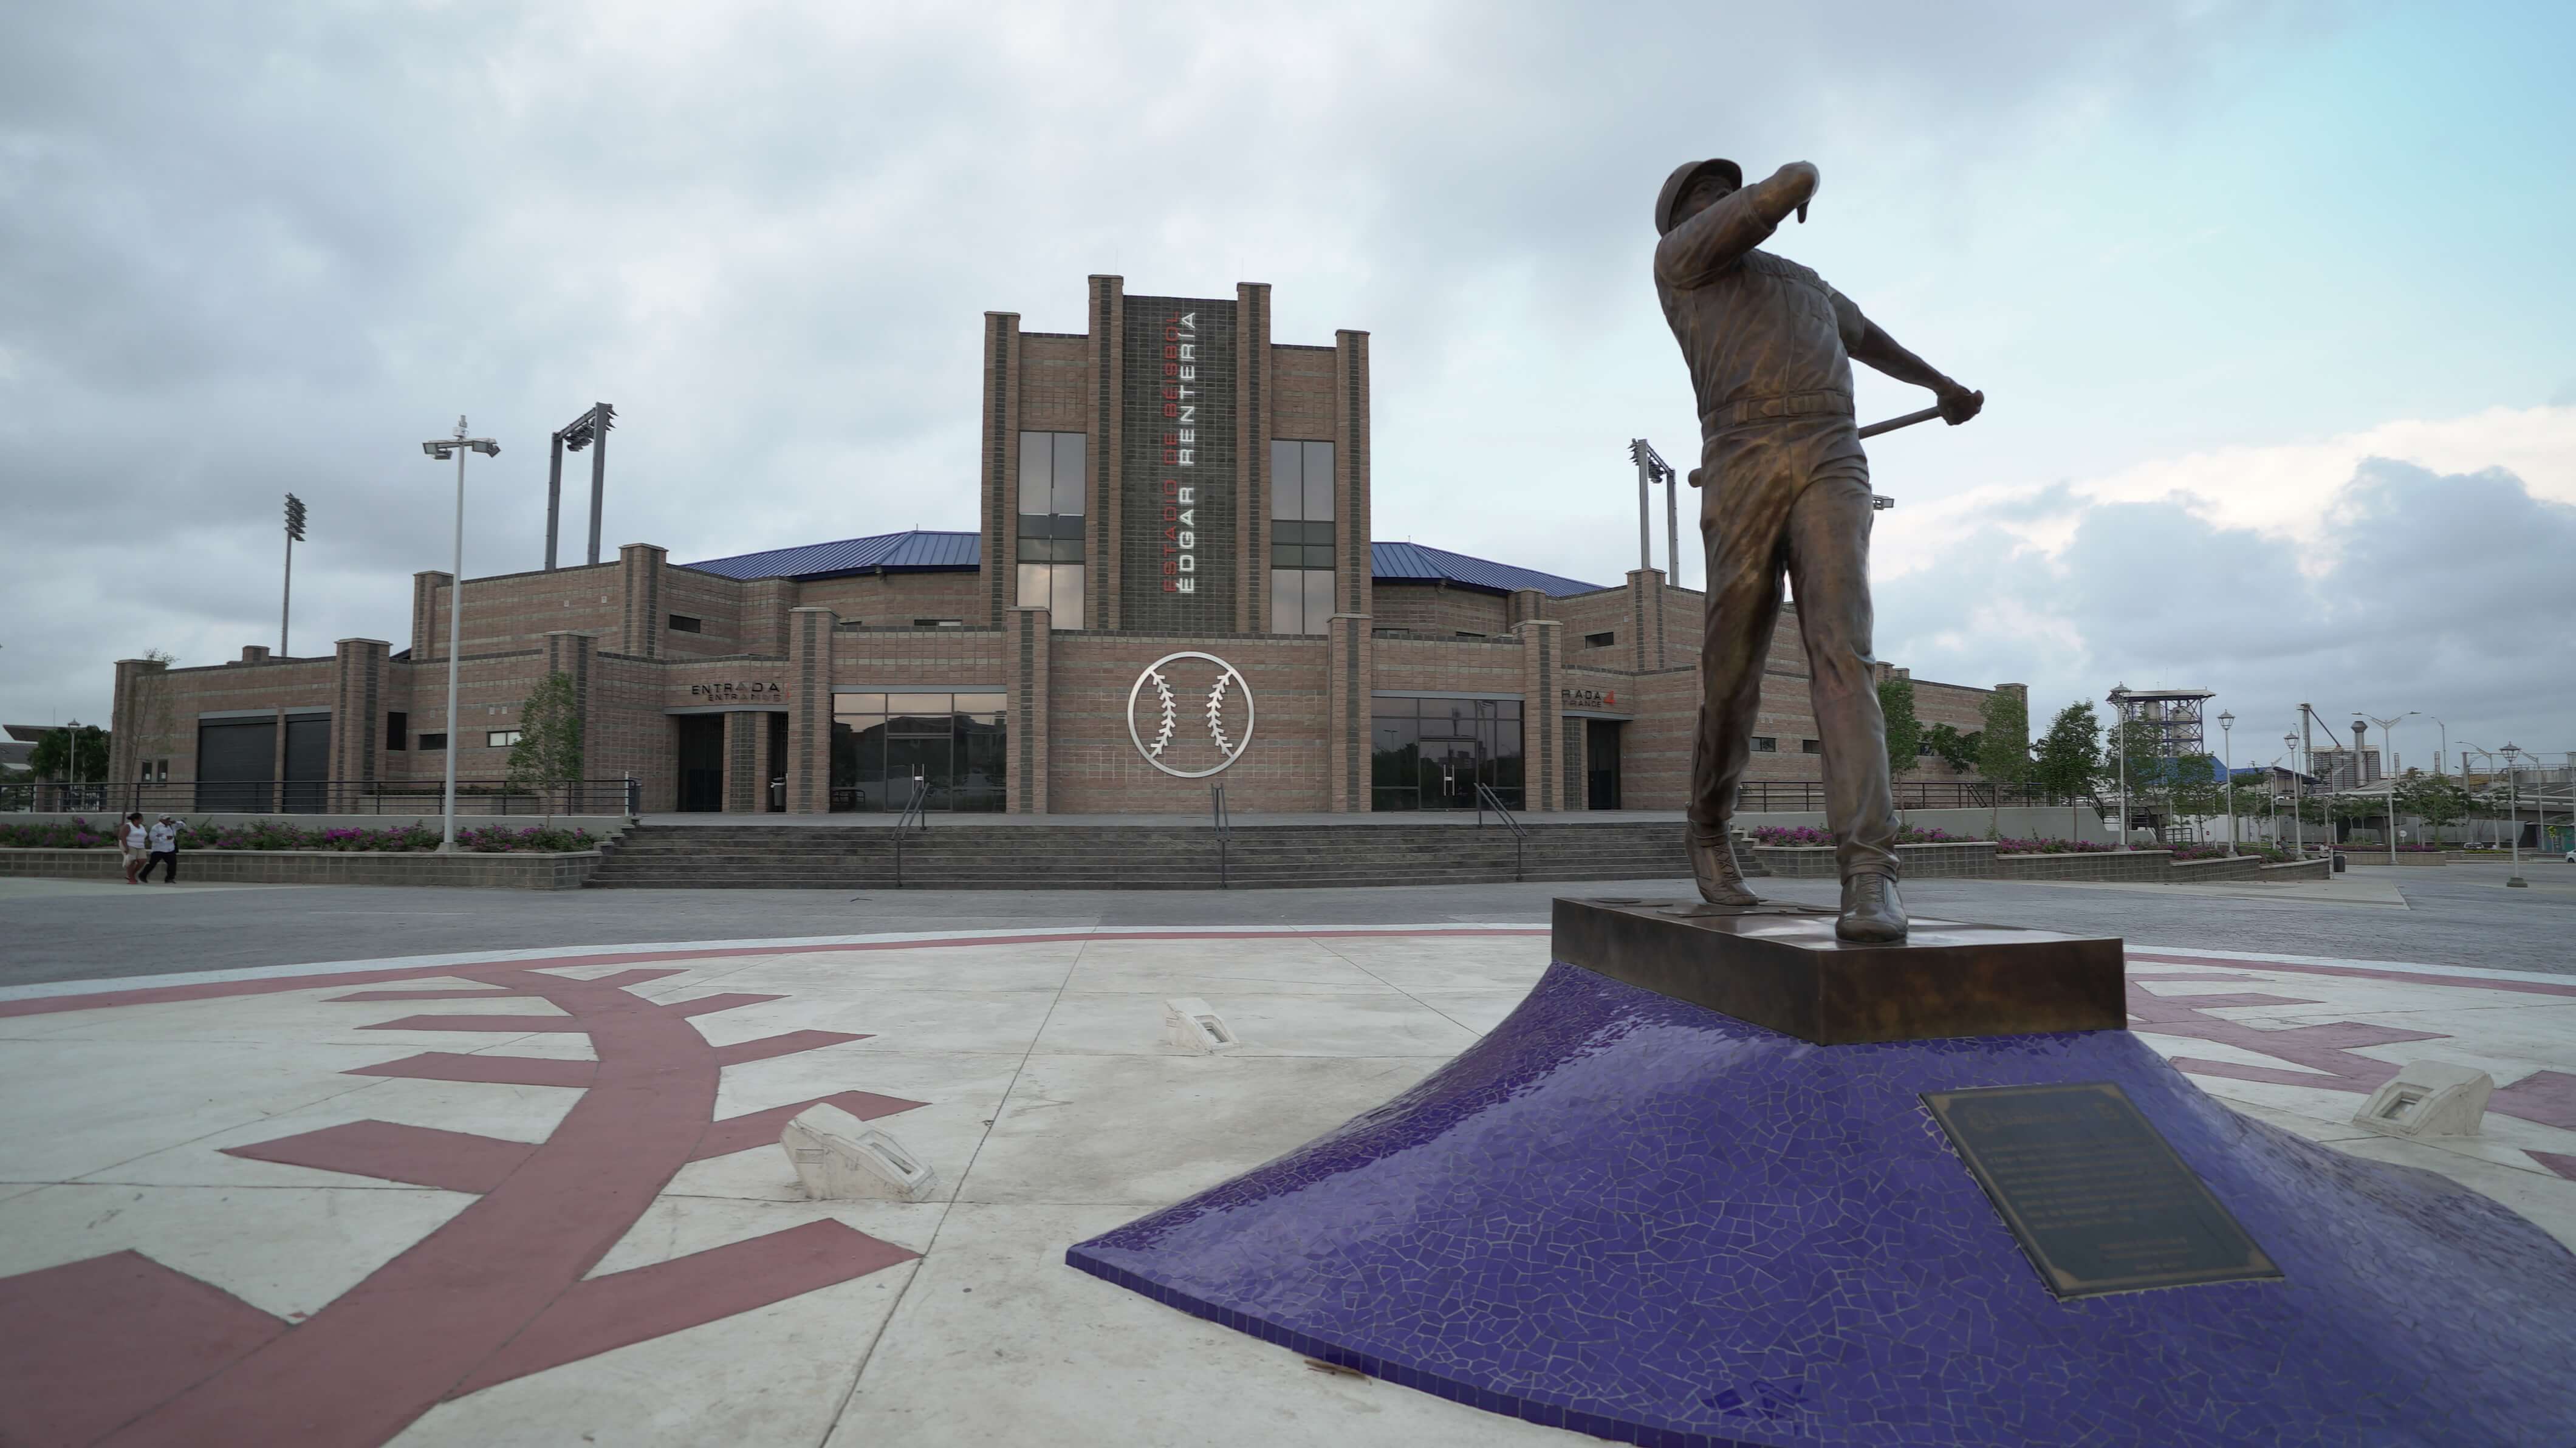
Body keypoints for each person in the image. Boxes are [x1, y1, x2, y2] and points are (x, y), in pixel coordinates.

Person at [1653, 157, 1983, 942]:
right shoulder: (1683, 262)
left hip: (1832, 451)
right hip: (1742, 457)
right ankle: (1707, 820)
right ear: (1685, 221)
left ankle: (1871, 874)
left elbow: (1866, 337)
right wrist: (1795, 180)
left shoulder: (1800, 279)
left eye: (1723, 190)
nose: (1719, 199)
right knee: (1734, 666)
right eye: (1704, 196)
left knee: (1843, 650)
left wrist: (1941, 385)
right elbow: (1784, 188)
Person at [142, 814, 181, 883]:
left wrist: (176, 822)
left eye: (168, 819)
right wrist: (165, 838)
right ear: (161, 820)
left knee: (173, 864)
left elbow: (183, 825)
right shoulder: (156, 827)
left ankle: (170, 878)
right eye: (166, 819)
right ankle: (143, 876)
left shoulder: (172, 826)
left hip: (170, 849)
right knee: (152, 864)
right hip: (159, 849)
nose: (167, 820)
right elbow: (152, 838)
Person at [119, 811, 149, 884]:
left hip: (140, 846)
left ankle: (130, 875)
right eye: (141, 818)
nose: (143, 819)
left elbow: (144, 835)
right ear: (136, 819)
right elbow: (122, 837)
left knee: (143, 860)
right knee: (132, 861)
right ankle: (131, 879)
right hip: (130, 845)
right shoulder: (128, 826)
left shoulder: (141, 826)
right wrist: (126, 847)